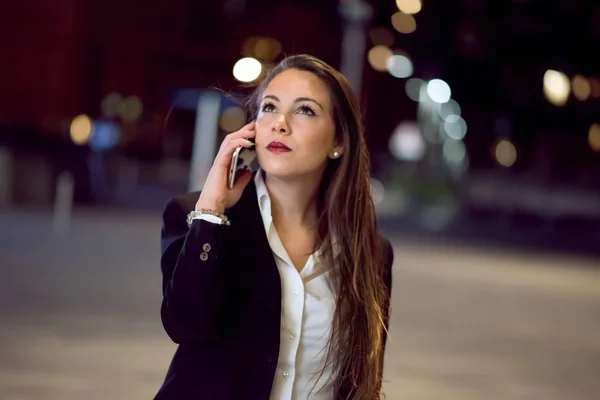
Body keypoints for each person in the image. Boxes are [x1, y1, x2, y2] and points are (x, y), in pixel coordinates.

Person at [156, 54, 394, 400]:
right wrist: (210, 213)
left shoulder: (370, 251)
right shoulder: (198, 218)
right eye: (269, 107)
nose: (279, 123)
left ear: (339, 142)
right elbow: (185, 325)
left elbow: (363, 382)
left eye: (305, 110)